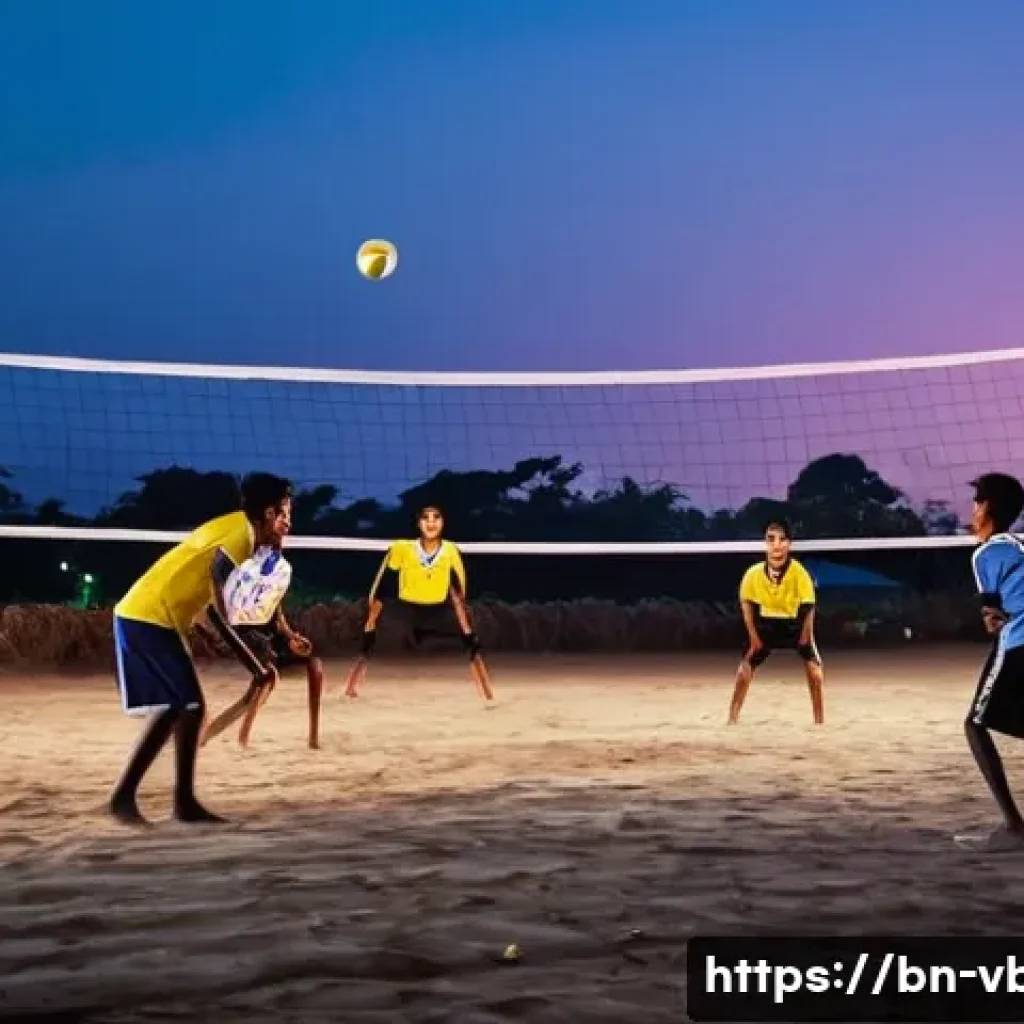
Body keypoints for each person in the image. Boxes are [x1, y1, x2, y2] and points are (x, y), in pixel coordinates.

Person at [108, 473, 292, 826]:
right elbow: (225, 605)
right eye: (285, 512)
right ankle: (133, 799)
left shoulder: (239, 532)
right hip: (148, 615)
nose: (288, 521)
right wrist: (254, 661)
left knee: (184, 709)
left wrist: (254, 659)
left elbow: (212, 607)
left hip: (153, 616)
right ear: (269, 513)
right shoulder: (240, 536)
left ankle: (177, 802)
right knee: (185, 707)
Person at [343, 504, 495, 702]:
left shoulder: (450, 551)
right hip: (405, 608)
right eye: (426, 518)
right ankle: (351, 687)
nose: (431, 522)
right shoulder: (402, 548)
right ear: (418, 523)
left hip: (439, 609)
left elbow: (457, 592)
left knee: (471, 641)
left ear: (443, 522)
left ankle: (487, 694)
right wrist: (372, 617)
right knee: (370, 640)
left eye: (436, 517)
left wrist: (466, 627)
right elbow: (382, 583)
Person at [956, 472, 1024, 852]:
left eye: (977, 502)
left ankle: (1014, 827)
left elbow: (993, 619)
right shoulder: (1017, 546)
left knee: (975, 723)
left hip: (1019, 642)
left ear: (986, 508)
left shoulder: (986, 553)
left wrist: (989, 616)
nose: (973, 509)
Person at [201, 541, 324, 750]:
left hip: (266, 634)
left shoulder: (274, 572)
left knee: (314, 665)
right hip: (244, 630)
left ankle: (313, 737)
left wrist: (291, 635)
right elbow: (222, 597)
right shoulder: (238, 563)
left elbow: (277, 610)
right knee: (267, 679)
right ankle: (242, 736)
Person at [728, 517, 824, 725]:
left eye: (782, 540)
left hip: (794, 625)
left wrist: (805, 640)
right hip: (765, 625)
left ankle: (819, 722)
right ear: (765, 543)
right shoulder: (752, 575)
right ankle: (732, 719)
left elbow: (809, 608)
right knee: (743, 671)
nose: (777, 545)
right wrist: (754, 639)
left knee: (816, 673)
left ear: (789, 544)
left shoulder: (800, 574)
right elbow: (746, 607)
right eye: (771, 539)